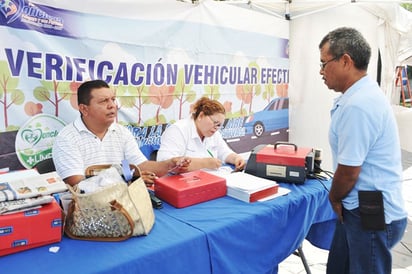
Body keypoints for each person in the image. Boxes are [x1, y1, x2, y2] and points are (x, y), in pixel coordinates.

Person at [319, 27, 407, 274]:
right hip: (361, 207)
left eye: (324, 63)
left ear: (345, 60)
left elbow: (348, 171)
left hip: (368, 212)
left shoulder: (359, 104)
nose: (321, 71)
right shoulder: (359, 96)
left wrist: (334, 197)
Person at [52, 80, 190, 187]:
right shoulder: (67, 138)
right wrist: (126, 180)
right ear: (84, 109)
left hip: (123, 203)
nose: (112, 105)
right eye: (104, 101)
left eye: (113, 99)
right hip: (86, 211)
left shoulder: (121, 132)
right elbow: (77, 183)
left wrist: (170, 164)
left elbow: (141, 166)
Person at [156, 97, 245, 172]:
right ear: (201, 116)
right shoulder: (178, 130)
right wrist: (204, 163)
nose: (216, 128)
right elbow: (165, 163)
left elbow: (224, 152)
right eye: (215, 123)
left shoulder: (213, 133)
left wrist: (236, 158)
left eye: (219, 125)